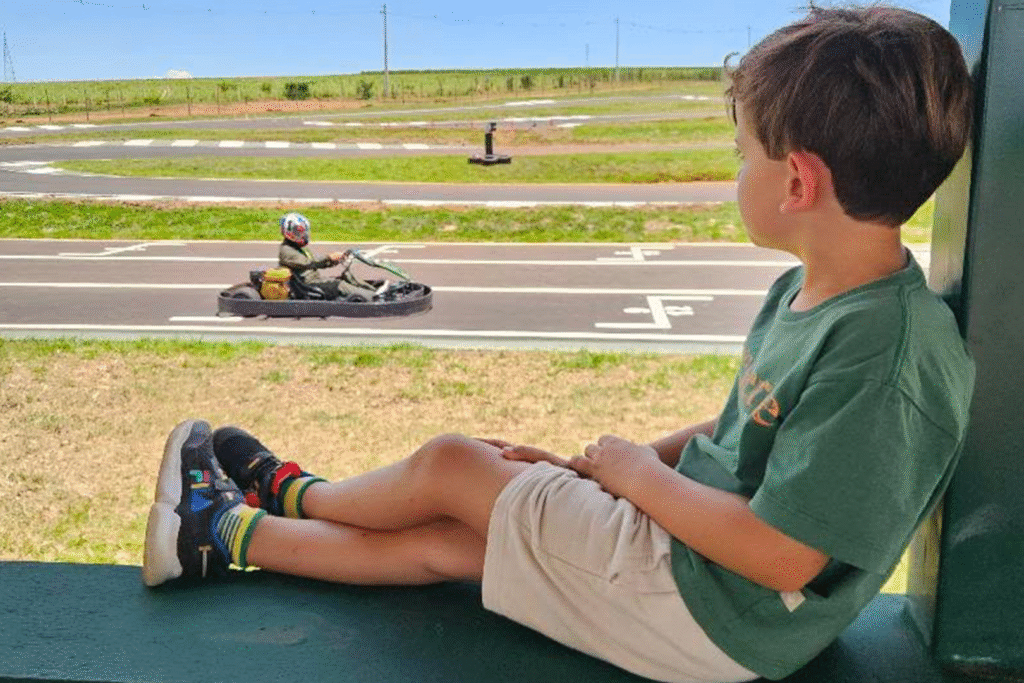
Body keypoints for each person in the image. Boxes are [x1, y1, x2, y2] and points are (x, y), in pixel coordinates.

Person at [142, 7, 975, 682]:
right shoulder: (819, 294)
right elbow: (743, 433)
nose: (735, 172)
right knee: (451, 542)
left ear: (796, 181)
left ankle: (300, 495)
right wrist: (601, 473)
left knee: (453, 466)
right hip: (707, 590)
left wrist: (637, 475)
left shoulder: (887, 354)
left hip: (712, 606)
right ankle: (222, 534)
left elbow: (785, 554)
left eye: (741, 154)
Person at [277, 212, 376, 301]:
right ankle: (373, 298)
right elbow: (310, 263)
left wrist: (335, 260)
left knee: (347, 278)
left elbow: (317, 264)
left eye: (303, 231)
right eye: (298, 232)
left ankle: (374, 291)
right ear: (289, 232)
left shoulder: (298, 248)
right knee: (340, 285)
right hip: (308, 286)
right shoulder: (286, 251)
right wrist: (329, 257)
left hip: (316, 281)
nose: (302, 234)